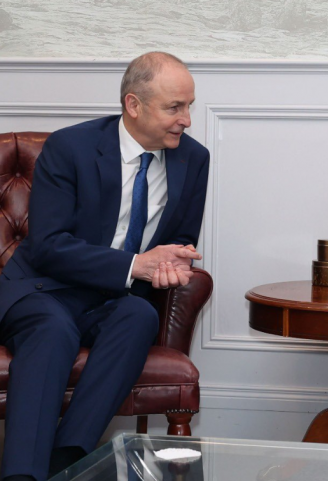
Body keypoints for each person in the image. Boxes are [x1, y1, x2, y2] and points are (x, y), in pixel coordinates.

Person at [0, 51, 210, 481]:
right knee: (54, 330)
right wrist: (136, 264)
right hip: (42, 287)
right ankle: (22, 475)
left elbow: (179, 241)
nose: (186, 120)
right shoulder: (71, 147)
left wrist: (173, 264)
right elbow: (48, 246)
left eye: (189, 106)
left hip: (113, 298)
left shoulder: (193, 159)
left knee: (139, 315)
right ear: (134, 105)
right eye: (174, 107)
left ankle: (67, 461)